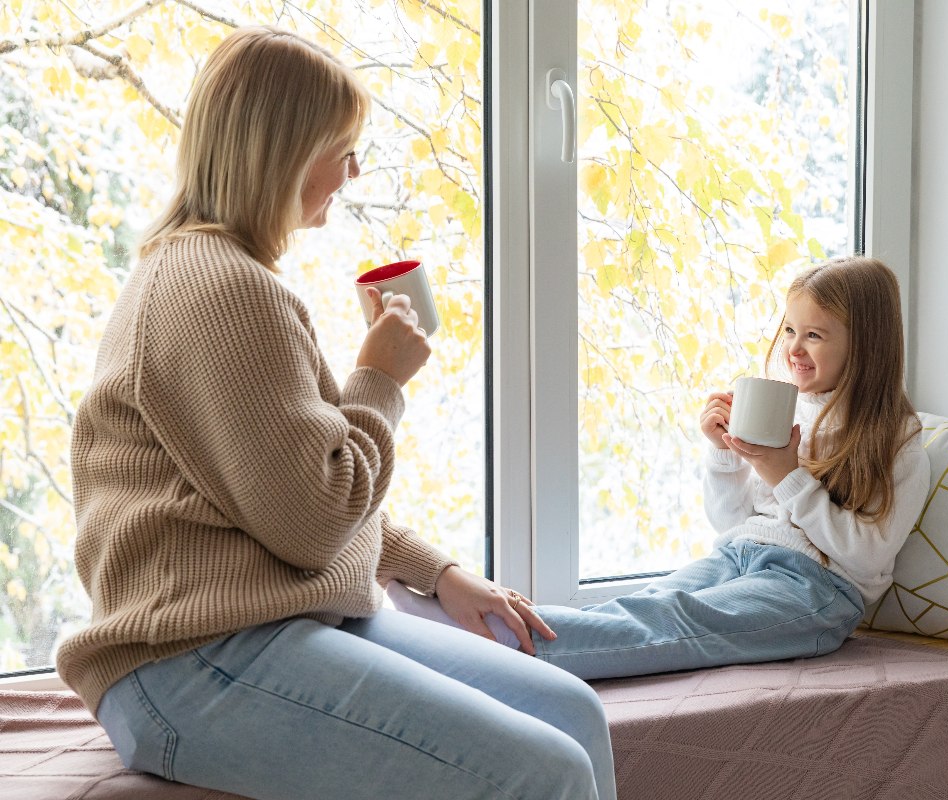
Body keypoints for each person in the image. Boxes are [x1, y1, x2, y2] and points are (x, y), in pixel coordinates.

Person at [56, 26, 615, 800]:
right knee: (544, 772)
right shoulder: (224, 290)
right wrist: (379, 381)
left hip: (272, 624)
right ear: (283, 152)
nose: (352, 174)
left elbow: (275, 488)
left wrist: (437, 572)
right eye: (343, 150)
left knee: (572, 712)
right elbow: (313, 522)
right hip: (189, 659)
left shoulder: (210, 270)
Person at [397, 257, 930, 681]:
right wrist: (724, 453)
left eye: (815, 335)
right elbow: (730, 522)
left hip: (819, 592)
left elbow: (868, 555)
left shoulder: (898, 441)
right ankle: (484, 626)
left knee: (675, 622)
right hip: (740, 554)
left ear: (865, 344)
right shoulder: (791, 407)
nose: (792, 348)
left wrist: (785, 474)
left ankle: (486, 640)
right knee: (648, 601)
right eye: (789, 328)